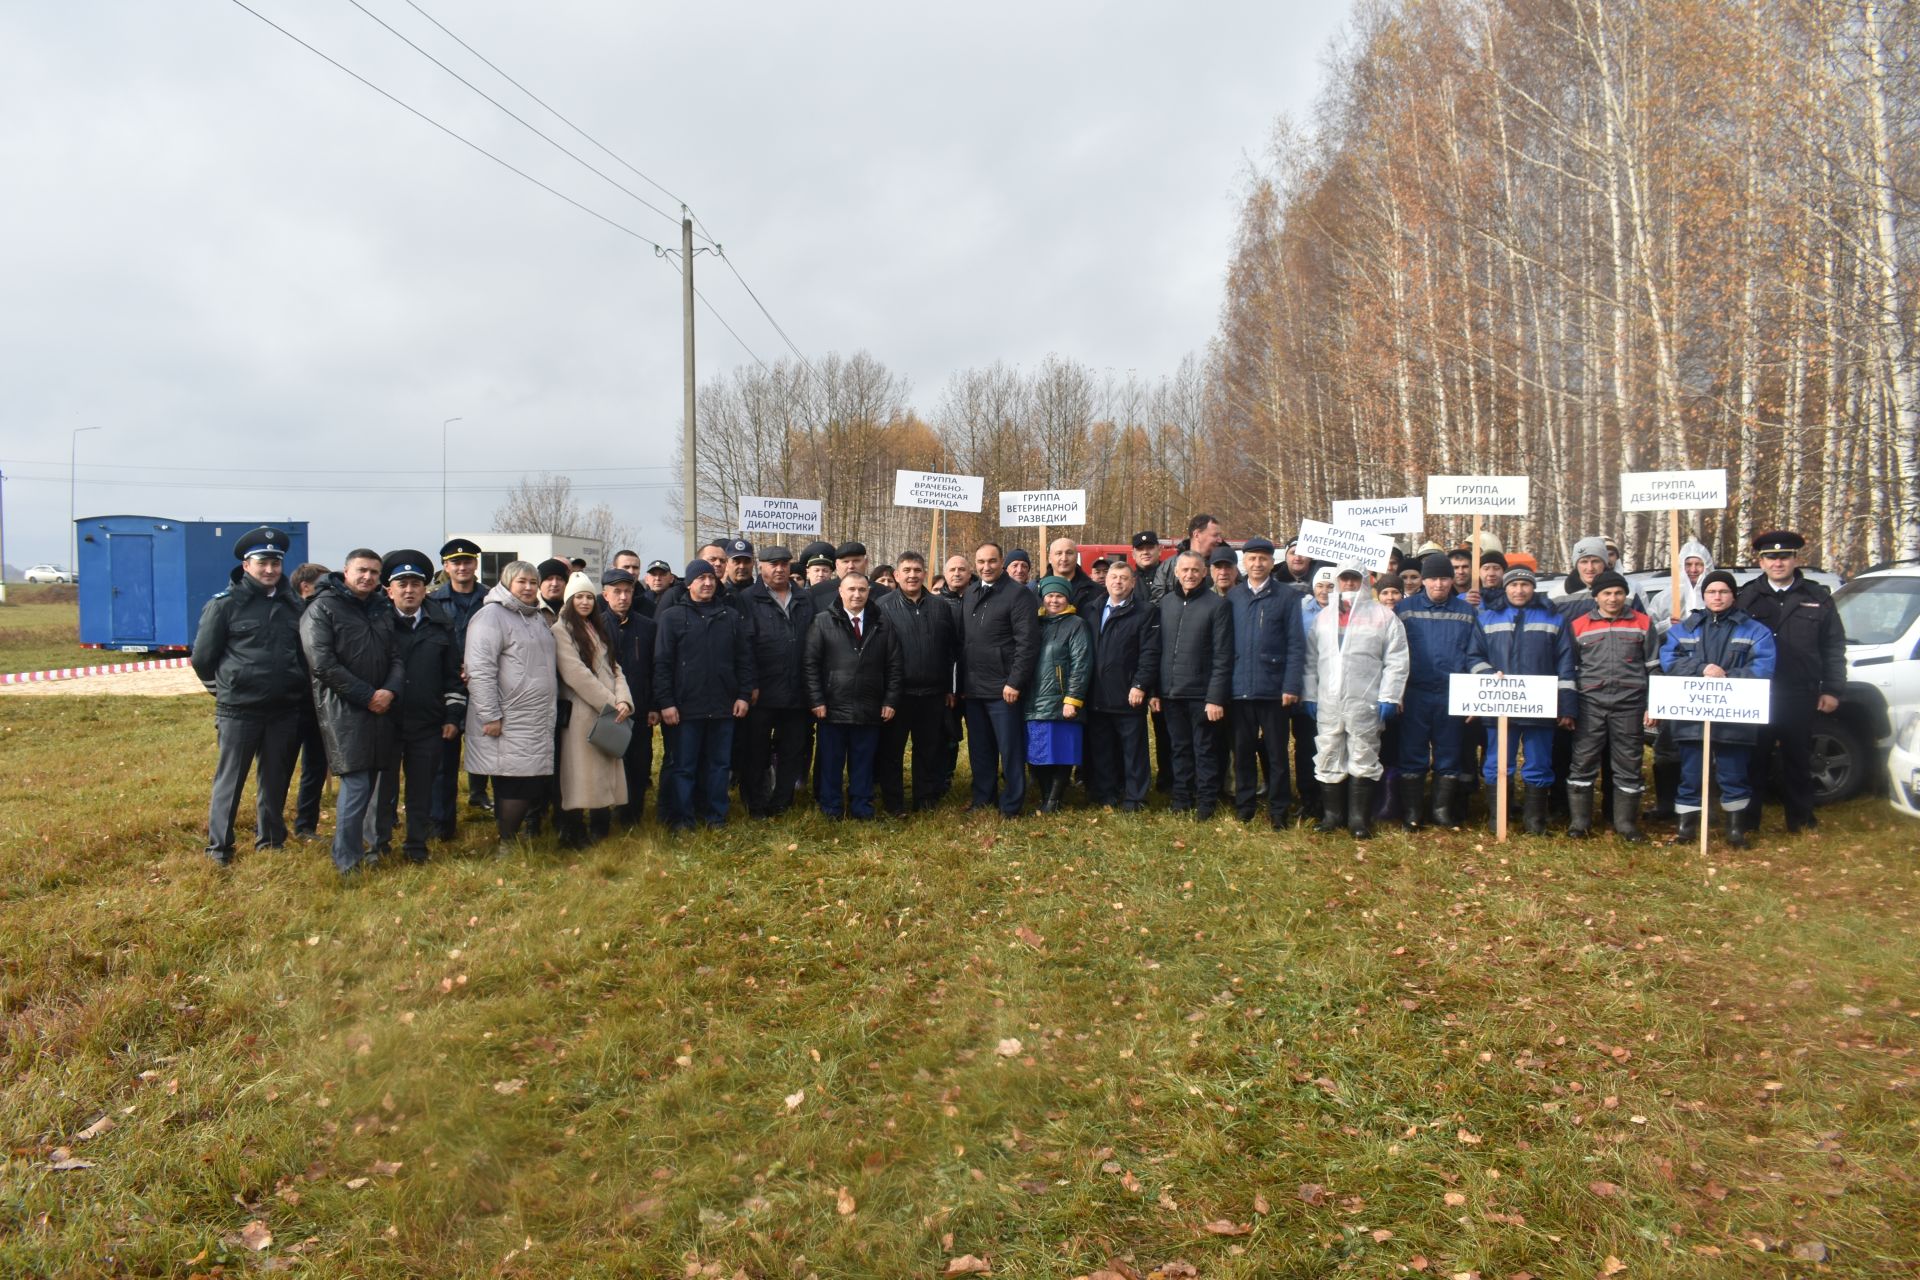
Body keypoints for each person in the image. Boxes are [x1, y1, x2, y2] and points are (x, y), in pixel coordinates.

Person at [191, 526, 308, 866]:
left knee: (275, 780)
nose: (270, 569)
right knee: (230, 781)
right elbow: (202, 658)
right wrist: (222, 692)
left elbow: (302, 654)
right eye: (262, 562)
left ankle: (270, 841)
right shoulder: (224, 606)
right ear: (246, 566)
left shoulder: (292, 606)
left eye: (275, 562)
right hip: (239, 710)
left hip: (283, 709)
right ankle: (219, 849)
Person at [300, 549, 403, 877]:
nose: (368, 577)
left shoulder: (382, 608)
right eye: (361, 570)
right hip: (344, 709)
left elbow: (397, 656)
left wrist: (389, 691)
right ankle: (347, 860)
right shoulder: (323, 608)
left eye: (374, 572)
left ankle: (374, 847)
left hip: (382, 707)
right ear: (345, 571)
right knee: (357, 785)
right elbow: (322, 664)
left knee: (376, 783)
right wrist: (367, 695)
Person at [1736, 530, 1846, 833]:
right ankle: (1747, 822)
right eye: (1771, 557)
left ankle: (1802, 820)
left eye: (1784, 556)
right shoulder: (1747, 597)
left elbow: (1833, 646)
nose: (1778, 562)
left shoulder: (1816, 596)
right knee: (1754, 759)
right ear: (1761, 561)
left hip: (1800, 691)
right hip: (1757, 692)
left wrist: (1833, 689)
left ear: (1796, 559)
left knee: (1798, 759)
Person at [1661, 570, 1777, 847]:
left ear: (1733, 595)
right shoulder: (1685, 628)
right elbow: (1669, 660)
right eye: (1711, 592)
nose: (1717, 596)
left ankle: (1735, 831)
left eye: (1723, 591)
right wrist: (1701, 669)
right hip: (1692, 718)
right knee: (1690, 774)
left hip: (1734, 717)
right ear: (1704, 595)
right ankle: (1686, 829)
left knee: (1733, 773)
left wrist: (1727, 677)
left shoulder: (1754, 630)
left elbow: (1763, 667)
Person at [370, 550, 463, 863]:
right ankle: (379, 845)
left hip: (427, 722)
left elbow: (453, 675)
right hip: (386, 721)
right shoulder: (377, 623)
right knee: (383, 788)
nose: (409, 589)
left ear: (426, 589)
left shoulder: (441, 624)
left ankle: (416, 845)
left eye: (415, 583)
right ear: (389, 589)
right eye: (402, 583)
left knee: (422, 789)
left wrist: (453, 716)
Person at [1303, 566, 1409, 839]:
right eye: (1344, 578)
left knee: (1364, 754)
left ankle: (1358, 819)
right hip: (1329, 699)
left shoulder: (1383, 617)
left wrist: (1390, 695)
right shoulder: (1324, 618)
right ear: (1337, 581)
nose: (1349, 583)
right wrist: (1310, 694)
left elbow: (1396, 660)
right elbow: (1311, 661)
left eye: (1354, 578)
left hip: (1366, 699)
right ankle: (1332, 816)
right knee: (1328, 752)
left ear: (1365, 581)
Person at [1471, 566, 1577, 835]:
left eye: (1525, 585)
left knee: (1539, 763)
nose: (1519, 590)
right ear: (1505, 588)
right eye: (1514, 585)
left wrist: (1565, 705)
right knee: (1497, 763)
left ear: (1534, 588)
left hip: (1539, 706)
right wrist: (1487, 674)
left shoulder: (1554, 618)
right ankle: (1499, 820)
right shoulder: (1487, 617)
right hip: (1498, 703)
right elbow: (1473, 657)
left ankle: (1535, 823)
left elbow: (1566, 664)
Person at [463, 560, 559, 851]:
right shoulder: (490, 617)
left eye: (533, 582)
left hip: (535, 717)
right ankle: (507, 843)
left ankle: (514, 838)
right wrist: (490, 715)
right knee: (511, 783)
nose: (529, 588)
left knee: (527, 782)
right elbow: (479, 669)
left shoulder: (535, 617)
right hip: (508, 718)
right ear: (506, 583)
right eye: (522, 582)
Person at [653, 559, 755, 831]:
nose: (708, 583)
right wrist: (666, 703)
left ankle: (715, 817)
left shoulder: (730, 617)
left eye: (711, 578)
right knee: (683, 767)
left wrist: (743, 695)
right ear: (689, 584)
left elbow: (744, 660)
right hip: (685, 709)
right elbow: (662, 664)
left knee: (719, 766)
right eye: (701, 579)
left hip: (723, 707)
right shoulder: (672, 617)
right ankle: (682, 819)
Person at [1395, 553, 1486, 830]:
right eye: (1433, 578)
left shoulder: (1467, 612)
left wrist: (1475, 694)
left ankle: (1441, 811)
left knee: (1449, 753)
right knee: (1412, 752)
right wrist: (1396, 691)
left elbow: (1474, 654)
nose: (1439, 584)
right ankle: (1412, 812)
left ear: (1452, 580)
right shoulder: (1404, 609)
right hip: (1415, 693)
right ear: (1423, 580)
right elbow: (1395, 653)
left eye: (1444, 578)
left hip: (1453, 693)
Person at [1566, 570, 1658, 840]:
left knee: (1629, 763)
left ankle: (1626, 825)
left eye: (1618, 593)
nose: (1613, 598)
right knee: (1582, 763)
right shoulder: (1578, 625)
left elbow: (1654, 667)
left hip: (1630, 704)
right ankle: (1579, 823)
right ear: (1596, 597)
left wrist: (1653, 705)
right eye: (1607, 593)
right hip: (1589, 704)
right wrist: (1569, 707)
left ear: (1625, 595)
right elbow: (1569, 669)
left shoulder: (1643, 623)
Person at [805, 572, 902, 819]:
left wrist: (890, 700)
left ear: (869, 592)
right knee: (830, 763)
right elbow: (810, 664)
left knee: (863, 763)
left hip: (869, 707)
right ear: (841, 591)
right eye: (851, 589)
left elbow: (894, 665)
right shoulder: (822, 622)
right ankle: (831, 808)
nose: (856, 594)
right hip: (832, 707)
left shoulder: (882, 623)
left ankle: (862, 807)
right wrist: (817, 700)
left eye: (862, 589)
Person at [1225, 537, 1305, 829]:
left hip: (1274, 690)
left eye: (1263, 559)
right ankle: (1244, 806)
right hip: (1239, 688)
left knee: (1276, 754)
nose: (1257, 564)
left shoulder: (1286, 597)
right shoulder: (1233, 597)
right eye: (1252, 559)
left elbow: (1296, 644)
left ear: (1272, 562)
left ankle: (1278, 809)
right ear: (1243, 563)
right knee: (1243, 751)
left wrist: (1291, 685)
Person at [551, 571, 635, 847]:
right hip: (582, 714)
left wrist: (624, 700)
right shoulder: (560, 630)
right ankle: (574, 831)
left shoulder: (596, 628)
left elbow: (615, 667)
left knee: (603, 770)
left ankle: (600, 826)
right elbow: (575, 674)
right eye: (579, 597)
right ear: (569, 600)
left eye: (589, 596)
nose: (585, 602)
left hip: (609, 711)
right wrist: (612, 704)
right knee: (581, 775)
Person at [877, 551, 961, 814]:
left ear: (925, 573)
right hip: (898, 694)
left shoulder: (940, 607)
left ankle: (925, 800)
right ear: (896, 575)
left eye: (917, 570)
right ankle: (893, 803)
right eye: (907, 570)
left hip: (933, 694)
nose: (912, 575)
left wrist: (948, 686)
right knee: (892, 752)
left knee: (928, 751)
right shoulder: (882, 607)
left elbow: (949, 650)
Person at [1153, 550, 1234, 820]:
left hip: (1202, 694)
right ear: (1176, 572)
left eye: (1195, 570)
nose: (1189, 575)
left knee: (1205, 750)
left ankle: (1206, 801)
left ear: (1204, 573)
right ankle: (1181, 798)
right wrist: (1156, 690)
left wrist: (1215, 697)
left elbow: (1223, 655)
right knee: (1179, 748)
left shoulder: (1217, 605)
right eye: (1184, 570)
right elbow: (1157, 649)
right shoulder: (1166, 604)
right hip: (1171, 692)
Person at [961, 542, 1040, 817]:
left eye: (992, 561)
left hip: (1003, 688)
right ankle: (984, 797)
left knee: (1010, 749)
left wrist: (1015, 681)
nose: (986, 567)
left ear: (1001, 562)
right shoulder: (970, 593)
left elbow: (1027, 643)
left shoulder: (1018, 595)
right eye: (981, 561)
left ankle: (1012, 803)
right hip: (974, 688)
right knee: (980, 749)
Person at [739, 545, 816, 818]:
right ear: (761, 567)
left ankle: (782, 801)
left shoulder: (805, 599)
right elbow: (744, 646)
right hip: (762, 691)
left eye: (784, 563)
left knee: (792, 750)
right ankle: (757, 803)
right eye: (773, 564)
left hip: (797, 690)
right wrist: (750, 684)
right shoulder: (748, 599)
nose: (780, 569)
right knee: (756, 751)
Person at [1085, 557, 1160, 811]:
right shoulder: (1093, 609)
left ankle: (1135, 797)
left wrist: (1140, 684)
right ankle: (1107, 793)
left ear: (1133, 583)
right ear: (1105, 581)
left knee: (1134, 750)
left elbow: (1149, 653)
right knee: (1102, 748)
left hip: (1128, 694)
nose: (1118, 582)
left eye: (1123, 578)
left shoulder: (1145, 612)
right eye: (1113, 577)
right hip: (1097, 693)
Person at [427, 537, 489, 830]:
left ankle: (501, 814)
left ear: (476, 564)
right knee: (443, 760)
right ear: (445, 566)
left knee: (492, 753)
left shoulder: (491, 599)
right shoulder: (433, 601)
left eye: (467, 561)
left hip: (486, 687)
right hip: (445, 688)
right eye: (456, 562)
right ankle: (442, 823)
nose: (462, 567)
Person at [1025, 576, 1093, 813]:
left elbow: (1081, 664)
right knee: (1040, 752)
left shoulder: (1076, 624)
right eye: (1050, 596)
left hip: (1061, 700)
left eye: (1060, 596)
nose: (1054, 600)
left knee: (1063, 752)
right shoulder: (1035, 623)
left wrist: (1072, 699)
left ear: (1067, 598)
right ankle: (1046, 796)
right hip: (1034, 701)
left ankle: (1054, 800)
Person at [598, 567, 659, 826]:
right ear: (605, 594)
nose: (623, 597)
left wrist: (655, 704)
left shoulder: (648, 626)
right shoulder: (596, 625)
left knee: (639, 763)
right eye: (617, 592)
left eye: (628, 591)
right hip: (607, 708)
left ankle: (632, 815)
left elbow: (656, 667)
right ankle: (603, 813)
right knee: (608, 762)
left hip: (641, 707)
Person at [287, 561, 331, 841]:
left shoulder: (326, 612)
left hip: (319, 705)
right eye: (324, 583)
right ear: (306, 587)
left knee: (315, 767)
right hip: (291, 705)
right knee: (279, 770)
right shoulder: (287, 615)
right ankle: (267, 829)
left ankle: (305, 826)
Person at [1154, 514, 1226, 600]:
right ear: (1197, 535)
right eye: (1215, 535)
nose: (1220, 540)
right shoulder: (1169, 566)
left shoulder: (1226, 565)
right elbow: (1158, 602)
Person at [1046, 537, 1105, 614]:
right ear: (1050, 558)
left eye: (1069, 553)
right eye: (1059, 553)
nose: (1064, 558)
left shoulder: (1097, 592)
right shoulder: (1035, 590)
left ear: (1077, 557)